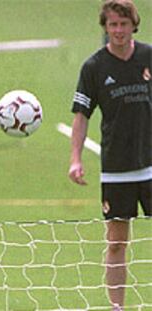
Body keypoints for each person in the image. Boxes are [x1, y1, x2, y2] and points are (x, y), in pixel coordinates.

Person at [68, 1, 151, 310]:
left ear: (133, 25)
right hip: (116, 169)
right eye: (113, 25)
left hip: (151, 165)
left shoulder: (148, 57)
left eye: (124, 24)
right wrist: (75, 158)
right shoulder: (94, 67)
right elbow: (81, 116)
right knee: (116, 242)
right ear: (105, 27)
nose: (118, 30)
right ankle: (117, 308)